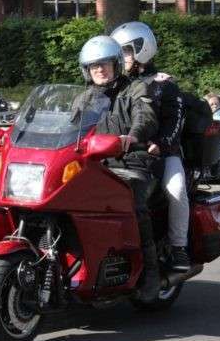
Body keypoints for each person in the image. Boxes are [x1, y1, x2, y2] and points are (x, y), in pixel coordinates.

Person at [72, 35, 161, 303]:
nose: (100, 69)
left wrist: (132, 137)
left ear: (116, 65)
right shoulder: (83, 99)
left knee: (132, 201)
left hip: (130, 163)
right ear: (86, 70)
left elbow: (145, 117)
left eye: (105, 64)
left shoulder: (134, 89)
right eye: (94, 65)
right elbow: (69, 129)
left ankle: (150, 274)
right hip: (95, 166)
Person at [110, 21, 190, 270]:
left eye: (125, 51)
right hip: (122, 153)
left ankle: (178, 247)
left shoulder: (164, 83)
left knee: (176, 190)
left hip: (163, 153)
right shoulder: (117, 84)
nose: (121, 58)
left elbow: (176, 121)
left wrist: (161, 144)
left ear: (142, 50)